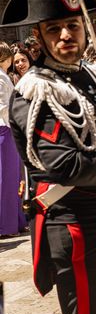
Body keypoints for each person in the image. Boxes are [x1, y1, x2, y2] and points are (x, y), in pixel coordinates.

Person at [5, 0, 96, 314]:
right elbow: (64, 165)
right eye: (54, 28)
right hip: (77, 220)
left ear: (86, 27)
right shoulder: (35, 91)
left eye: (72, 25)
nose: (65, 35)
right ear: (39, 36)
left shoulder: (89, 78)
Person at [0, 42, 27, 237]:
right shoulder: (1, 78)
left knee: (13, 177)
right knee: (7, 179)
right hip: (5, 127)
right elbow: (3, 106)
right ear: (7, 59)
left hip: (7, 127)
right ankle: (6, 225)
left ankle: (15, 221)